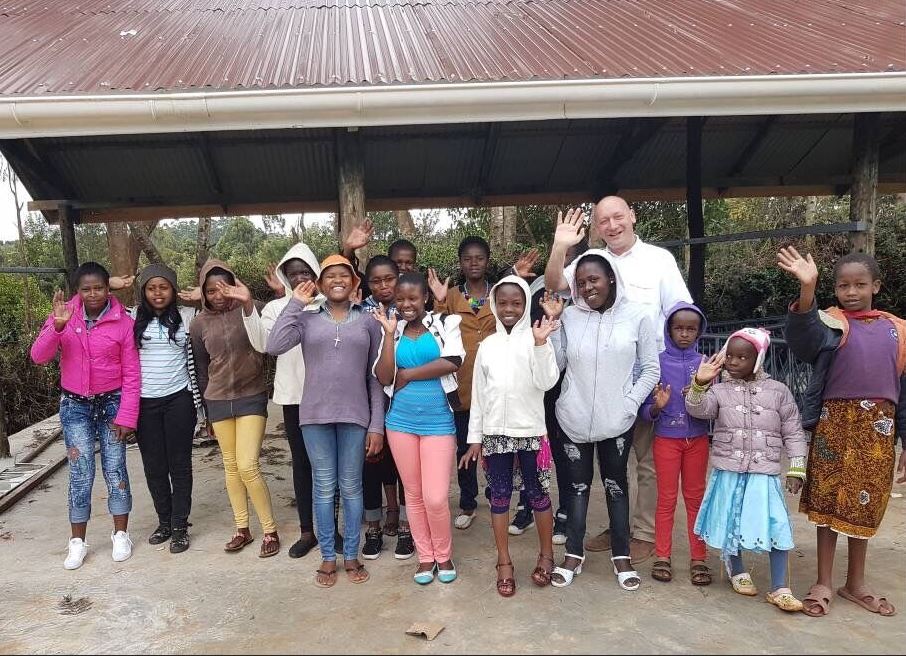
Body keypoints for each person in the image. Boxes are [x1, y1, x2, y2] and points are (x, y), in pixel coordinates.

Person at [544, 198, 691, 563]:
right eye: (603, 221)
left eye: (618, 217)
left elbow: (681, 313)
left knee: (646, 459)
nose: (612, 225)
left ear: (632, 217)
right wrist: (560, 246)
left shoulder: (659, 260)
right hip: (602, 375)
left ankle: (643, 533)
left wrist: (683, 368)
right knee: (614, 462)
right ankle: (618, 528)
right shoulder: (591, 261)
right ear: (596, 228)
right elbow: (555, 284)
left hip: (649, 370)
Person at [778, 247, 906, 618]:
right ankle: (823, 581)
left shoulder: (897, 331)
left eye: (860, 284)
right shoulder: (830, 324)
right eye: (843, 285)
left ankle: (856, 583)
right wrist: (807, 290)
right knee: (828, 504)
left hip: (877, 434)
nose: (851, 292)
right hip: (834, 427)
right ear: (834, 289)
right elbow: (803, 339)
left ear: (876, 286)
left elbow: (904, 393)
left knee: (863, 505)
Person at [541, 253, 659, 590]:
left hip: (617, 421)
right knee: (576, 488)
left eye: (593, 279)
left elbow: (651, 369)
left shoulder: (638, 316)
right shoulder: (570, 316)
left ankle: (621, 555)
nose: (587, 287)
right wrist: (554, 326)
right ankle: (573, 554)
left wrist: (629, 404)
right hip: (573, 418)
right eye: (580, 283)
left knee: (616, 486)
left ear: (611, 278)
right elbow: (557, 364)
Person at [268, 254, 385, 587]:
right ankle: (328, 557)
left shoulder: (368, 321)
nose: (337, 280)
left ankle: (351, 555)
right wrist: (295, 303)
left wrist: (376, 425)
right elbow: (274, 345)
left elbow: (376, 377)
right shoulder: (306, 320)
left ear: (354, 282)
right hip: (315, 416)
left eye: (344, 275)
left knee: (351, 487)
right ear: (319, 283)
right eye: (329, 275)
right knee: (323, 487)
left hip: (355, 416)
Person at [687, 328, 807, 612]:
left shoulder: (779, 391)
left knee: (777, 524)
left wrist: (796, 468)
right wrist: (699, 383)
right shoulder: (719, 390)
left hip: (764, 472)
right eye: (729, 355)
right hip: (729, 469)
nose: (733, 361)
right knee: (731, 520)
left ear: (759, 359)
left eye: (742, 357)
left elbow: (793, 431)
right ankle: (737, 569)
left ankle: (780, 587)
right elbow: (698, 410)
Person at [31, 262, 140, 569]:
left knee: (115, 468)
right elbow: (38, 357)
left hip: (112, 403)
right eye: (86, 289)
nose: (93, 294)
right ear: (77, 291)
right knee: (81, 473)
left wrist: (127, 416)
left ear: (109, 288)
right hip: (75, 405)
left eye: (99, 288)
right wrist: (57, 327)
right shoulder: (64, 315)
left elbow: (132, 373)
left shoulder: (123, 322)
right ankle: (77, 541)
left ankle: (121, 534)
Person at [459, 276, 561, 596]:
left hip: (530, 432)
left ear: (526, 305)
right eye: (502, 302)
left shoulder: (536, 338)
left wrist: (541, 345)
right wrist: (475, 438)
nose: (509, 309)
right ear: (493, 304)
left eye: (516, 303)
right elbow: (479, 396)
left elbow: (547, 381)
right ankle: (504, 562)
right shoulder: (487, 346)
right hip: (495, 435)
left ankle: (546, 555)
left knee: (538, 495)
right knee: (499, 497)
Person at [428, 236, 538, 529]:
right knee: (465, 447)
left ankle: (496, 493)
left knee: (499, 447)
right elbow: (437, 333)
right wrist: (439, 302)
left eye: (479, 258)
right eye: (467, 258)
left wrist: (515, 275)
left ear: (487, 261)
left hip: (498, 385)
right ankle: (467, 502)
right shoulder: (452, 296)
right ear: (460, 263)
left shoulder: (499, 294)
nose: (473, 263)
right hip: (462, 386)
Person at [238, 243, 335, 559]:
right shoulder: (276, 307)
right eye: (293, 274)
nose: (300, 278)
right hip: (294, 397)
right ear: (285, 277)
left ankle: (331, 528)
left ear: (316, 274)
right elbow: (264, 344)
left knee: (329, 464)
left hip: (329, 396)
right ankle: (308, 531)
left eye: (306, 272)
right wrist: (249, 306)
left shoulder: (329, 304)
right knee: (302, 464)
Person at [372, 272, 464, 584]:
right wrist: (388, 335)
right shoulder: (392, 329)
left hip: (439, 422)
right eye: (400, 299)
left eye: (413, 298)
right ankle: (426, 557)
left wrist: (409, 375)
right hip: (400, 422)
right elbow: (384, 376)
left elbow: (453, 361)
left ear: (425, 297)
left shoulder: (445, 323)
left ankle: (444, 554)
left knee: (435, 497)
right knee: (412, 494)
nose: (406, 304)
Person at [191, 259, 280, 558]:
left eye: (224, 288)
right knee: (230, 466)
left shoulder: (252, 307)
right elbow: (201, 369)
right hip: (217, 400)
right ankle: (242, 528)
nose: (218, 295)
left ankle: (270, 530)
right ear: (203, 293)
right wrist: (206, 411)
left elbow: (278, 324)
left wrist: (263, 298)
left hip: (251, 395)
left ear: (235, 285)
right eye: (211, 290)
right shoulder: (198, 323)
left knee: (247, 465)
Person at [638, 303, 712, 585]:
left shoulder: (706, 365)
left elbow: (715, 406)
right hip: (666, 440)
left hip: (698, 441)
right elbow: (645, 411)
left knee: (695, 499)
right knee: (666, 499)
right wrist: (657, 407)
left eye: (691, 329)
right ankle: (662, 556)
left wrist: (700, 394)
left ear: (699, 332)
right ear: (668, 330)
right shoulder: (656, 363)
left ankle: (699, 558)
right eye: (678, 328)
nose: (684, 334)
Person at [132, 264, 200, 554]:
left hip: (179, 400)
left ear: (173, 290)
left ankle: (180, 526)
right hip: (144, 403)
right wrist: (110, 285)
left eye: (163, 287)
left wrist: (202, 297)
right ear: (143, 291)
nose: (157, 293)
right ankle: (164, 522)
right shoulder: (132, 317)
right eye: (151, 288)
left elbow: (224, 305)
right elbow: (88, 302)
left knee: (179, 464)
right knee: (154, 466)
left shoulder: (188, 316)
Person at [360, 255, 412, 560]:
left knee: (404, 467)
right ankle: (373, 527)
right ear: (368, 284)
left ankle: (406, 524)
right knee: (370, 464)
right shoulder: (361, 313)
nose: (383, 286)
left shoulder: (410, 310)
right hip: (370, 399)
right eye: (376, 281)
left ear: (399, 277)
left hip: (405, 399)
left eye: (389, 278)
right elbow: (370, 370)